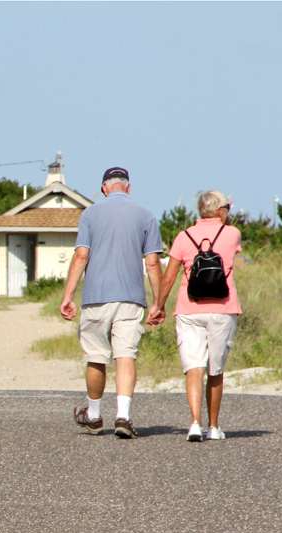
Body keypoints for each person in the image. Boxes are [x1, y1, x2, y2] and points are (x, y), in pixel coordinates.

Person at [59, 167, 163, 438]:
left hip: (96, 297)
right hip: (131, 298)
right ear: (128, 187)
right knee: (125, 355)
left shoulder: (90, 214)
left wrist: (68, 295)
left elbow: (81, 256)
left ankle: (93, 416)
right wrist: (158, 301)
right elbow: (152, 262)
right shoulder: (146, 215)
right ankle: (124, 416)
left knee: (96, 357)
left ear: (104, 188)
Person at [152, 190, 242, 442]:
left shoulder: (183, 236)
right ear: (221, 210)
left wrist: (158, 305)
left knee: (194, 368)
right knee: (216, 369)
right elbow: (232, 248)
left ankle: (194, 423)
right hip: (223, 309)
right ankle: (214, 427)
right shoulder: (232, 234)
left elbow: (169, 276)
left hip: (189, 308)